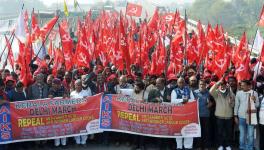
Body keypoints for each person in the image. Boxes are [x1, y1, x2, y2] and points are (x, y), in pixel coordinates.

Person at [210, 78, 235, 150]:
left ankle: (227, 145)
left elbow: (233, 105)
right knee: (219, 132)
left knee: (228, 132)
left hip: (229, 116)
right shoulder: (217, 93)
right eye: (221, 85)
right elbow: (211, 91)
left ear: (226, 85)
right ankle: (220, 145)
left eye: (223, 84)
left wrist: (231, 103)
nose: (222, 86)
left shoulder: (230, 93)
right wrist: (218, 83)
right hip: (219, 117)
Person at [234, 80, 259, 150]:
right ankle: (242, 147)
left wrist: (254, 100)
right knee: (242, 134)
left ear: (248, 86)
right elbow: (236, 105)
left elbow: (257, 105)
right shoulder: (239, 93)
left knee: (250, 135)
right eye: (241, 85)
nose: (242, 87)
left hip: (251, 117)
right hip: (241, 117)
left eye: (243, 85)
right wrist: (235, 116)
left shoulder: (254, 93)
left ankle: (249, 148)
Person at [171, 77, 195, 150]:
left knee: (189, 131)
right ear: (177, 83)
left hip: (188, 114)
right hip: (178, 115)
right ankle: (179, 147)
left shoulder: (189, 90)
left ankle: (188, 147)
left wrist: (187, 101)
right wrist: (182, 100)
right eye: (179, 82)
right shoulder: (174, 91)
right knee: (178, 132)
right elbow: (173, 101)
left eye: (182, 82)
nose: (181, 84)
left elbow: (193, 100)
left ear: (184, 83)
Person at [70, 79, 92, 146]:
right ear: (75, 85)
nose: (78, 86)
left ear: (81, 85)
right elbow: (70, 103)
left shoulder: (86, 93)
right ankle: (77, 141)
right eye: (77, 85)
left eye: (79, 85)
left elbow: (90, 101)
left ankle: (83, 142)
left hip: (84, 113)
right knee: (76, 127)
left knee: (83, 127)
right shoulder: (72, 93)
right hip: (75, 113)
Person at [49, 78, 68, 147]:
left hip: (63, 111)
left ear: (58, 84)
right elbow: (48, 99)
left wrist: (66, 96)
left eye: (54, 84)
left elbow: (69, 97)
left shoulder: (64, 89)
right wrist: (49, 97)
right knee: (56, 128)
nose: (52, 85)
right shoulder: (51, 89)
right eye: (52, 84)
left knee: (63, 128)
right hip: (55, 112)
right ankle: (57, 144)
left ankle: (64, 144)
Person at [193, 80, 212, 150]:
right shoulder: (194, 92)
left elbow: (212, 102)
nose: (202, 86)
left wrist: (211, 104)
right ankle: (198, 146)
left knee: (206, 132)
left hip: (206, 115)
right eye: (200, 84)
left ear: (205, 85)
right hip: (197, 115)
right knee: (198, 132)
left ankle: (206, 146)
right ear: (198, 85)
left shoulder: (208, 92)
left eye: (203, 84)